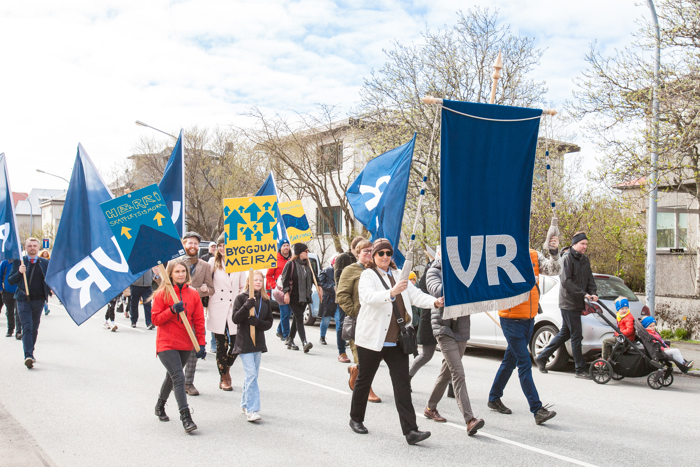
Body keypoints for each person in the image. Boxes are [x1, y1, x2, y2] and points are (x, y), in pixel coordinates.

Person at [349, 238, 442, 445]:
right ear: (373, 256)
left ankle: (411, 431)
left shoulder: (399, 275)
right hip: (372, 339)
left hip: (397, 340)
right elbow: (368, 297)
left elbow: (416, 296)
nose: (385, 257)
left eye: (388, 253)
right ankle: (356, 418)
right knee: (364, 380)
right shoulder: (368, 275)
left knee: (402, 385)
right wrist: (392, 292)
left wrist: (435, 302)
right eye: (380, 253)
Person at [487, 237, 560, 425]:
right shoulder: (500, 255)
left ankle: (494, 397)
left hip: (529, 319)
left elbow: (554, 270)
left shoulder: (534, 254)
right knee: (524, 363)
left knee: (510, 361)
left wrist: (554, 252)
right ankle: (537, 409)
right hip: (510, 320)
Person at [422, 256, 485, 436]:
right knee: (458, 372)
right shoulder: (434, 271)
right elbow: (438, 291)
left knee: (447, 372)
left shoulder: (466, 269)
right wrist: (456, 275)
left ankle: (430, 407)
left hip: (461, 327)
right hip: (443, 327)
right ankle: (470, 419)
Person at [151, 259, 206, 433]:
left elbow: (199, 321)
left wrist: (201, 344)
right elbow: (155, 319)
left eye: (183, 271)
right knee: (179, 377)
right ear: (170, 274)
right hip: (166, 343)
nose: (181, 274)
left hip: (185, 343)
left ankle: (160, 405)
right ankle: (186, 417)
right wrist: (172, 310)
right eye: (177, 271)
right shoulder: (162, 294)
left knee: (172, 377)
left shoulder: (193, 294)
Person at [535, 231, 598, 379]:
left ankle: (542, 357)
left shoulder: (584, 260)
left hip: (578, 302)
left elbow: (590, 278)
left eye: (586, 244)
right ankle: (580, 369)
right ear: (574, 244)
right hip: (568, 302)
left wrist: (593, 293)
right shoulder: (566, 258)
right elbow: (566, 281)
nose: (585, 246)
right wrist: (583, 294)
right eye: (582, 244)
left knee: (566, 333)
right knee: (576, 335)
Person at [336, 239, 381, 403]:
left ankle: (355, 370)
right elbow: (342, 295)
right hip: (359, 321)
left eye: (371, 251)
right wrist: (356, 313)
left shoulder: (377, 270)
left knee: (374, 356)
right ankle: (367, 388)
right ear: (357, 253)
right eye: (365, 251)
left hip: (376, 321)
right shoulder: (351, 270)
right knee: (362, 356)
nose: (369, 254)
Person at [232, 271, 274, 422]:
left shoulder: (265, 300)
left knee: (252, 375)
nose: (258, 282)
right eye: (255, 280)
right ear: (249, 281)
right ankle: (252, 409)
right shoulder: (241, 298)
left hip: (258, 343)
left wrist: (258, 323)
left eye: (260, 280)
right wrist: (246, 307)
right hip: (244, 342)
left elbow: (269, 322)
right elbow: (235, 318)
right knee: (251, 375)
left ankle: (245, 404)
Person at [207, 232, 246, 391]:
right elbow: (208, 282)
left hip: (234, 308)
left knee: (237, 344)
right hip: (217, 307)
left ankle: (227, 367)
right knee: (221, 346)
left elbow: (243, 287)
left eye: (225, 245)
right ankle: (223, 377)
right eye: (220, 246)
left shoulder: (240, 262)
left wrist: (242, 305)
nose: (222, 248)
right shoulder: (212, 262)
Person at [8, 238, 52, 369]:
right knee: (27, 326)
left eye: (34, 246)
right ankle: (28, 355)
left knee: (34, 327)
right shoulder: (19, 262)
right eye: (29, 246)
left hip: (39, 300)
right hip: (23, 299)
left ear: (38, 248)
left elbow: (51, 279)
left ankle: (31, 351)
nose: (32, 248)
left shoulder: (44, 263)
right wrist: (19, 272)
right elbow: (11, 280)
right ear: (26, 248)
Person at [181, 232, 214, 396]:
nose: (193, 246)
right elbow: (165, 286)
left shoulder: (205, 266)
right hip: (177, 312)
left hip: (195, 312)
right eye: (190, 243)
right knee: (176, 348)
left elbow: (211, 289)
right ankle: (174, 380)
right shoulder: (174, 263)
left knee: (194, 347)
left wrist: (205, 290)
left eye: (196, 244)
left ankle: (188, 383)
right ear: (184, 244)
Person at [279, 243, 321, 353]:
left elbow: (315, 278)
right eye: (305, 251)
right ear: (299, 253)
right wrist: (286, 293)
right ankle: (304, 342)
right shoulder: (291, 264)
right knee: (299, 318)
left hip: (305, 296)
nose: (307, 253)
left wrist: (320, 286)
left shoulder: (308, 264)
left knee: (297, 319)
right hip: (294, 297)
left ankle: (290, 340)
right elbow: (285, 279)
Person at [410, 258, 438, 380]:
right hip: (430, 319)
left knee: (453, 357)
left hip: (452, 320)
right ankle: (407, 378)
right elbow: (422, 297)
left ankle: (451, 385)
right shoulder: (429, 274)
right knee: (426, 355)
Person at [319, 257, 350, 362]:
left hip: (338, 300)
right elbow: (321, 283)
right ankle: (322, 336)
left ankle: (342, 340)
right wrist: (332, 287)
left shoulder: (344, 271)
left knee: (339, 321)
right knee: (326, 320)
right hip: (328, 299)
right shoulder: (326, 271)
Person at [267, 240, 292, 341]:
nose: (286, 247)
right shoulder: (274, 259)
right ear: (280, 247)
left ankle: (279, 330)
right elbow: (269, 275)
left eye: (287, 245)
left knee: (288, 313)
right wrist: (274, 286)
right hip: (280, 291)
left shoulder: (291, 259)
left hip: (290, 290)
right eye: (284, 245)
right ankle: (287, 336)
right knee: (285, 312)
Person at [1, 259, 19, 339]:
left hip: (19, 291)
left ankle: (18, 331)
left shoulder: (21, 262)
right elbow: (0, 275)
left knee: (19, 312)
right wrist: (1, 288)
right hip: (7, 291)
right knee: (9, 311)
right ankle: (10, 329)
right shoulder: (5, 263)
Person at [39, 250, 51, 315]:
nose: (45, 254)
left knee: (45, 295)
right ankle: (46, 308)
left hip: (46, 280)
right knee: (42, 296)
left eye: (46, 253)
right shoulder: (39, 261)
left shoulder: (49, 260)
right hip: (41, 280)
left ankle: (46, 308)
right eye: (44, 253)